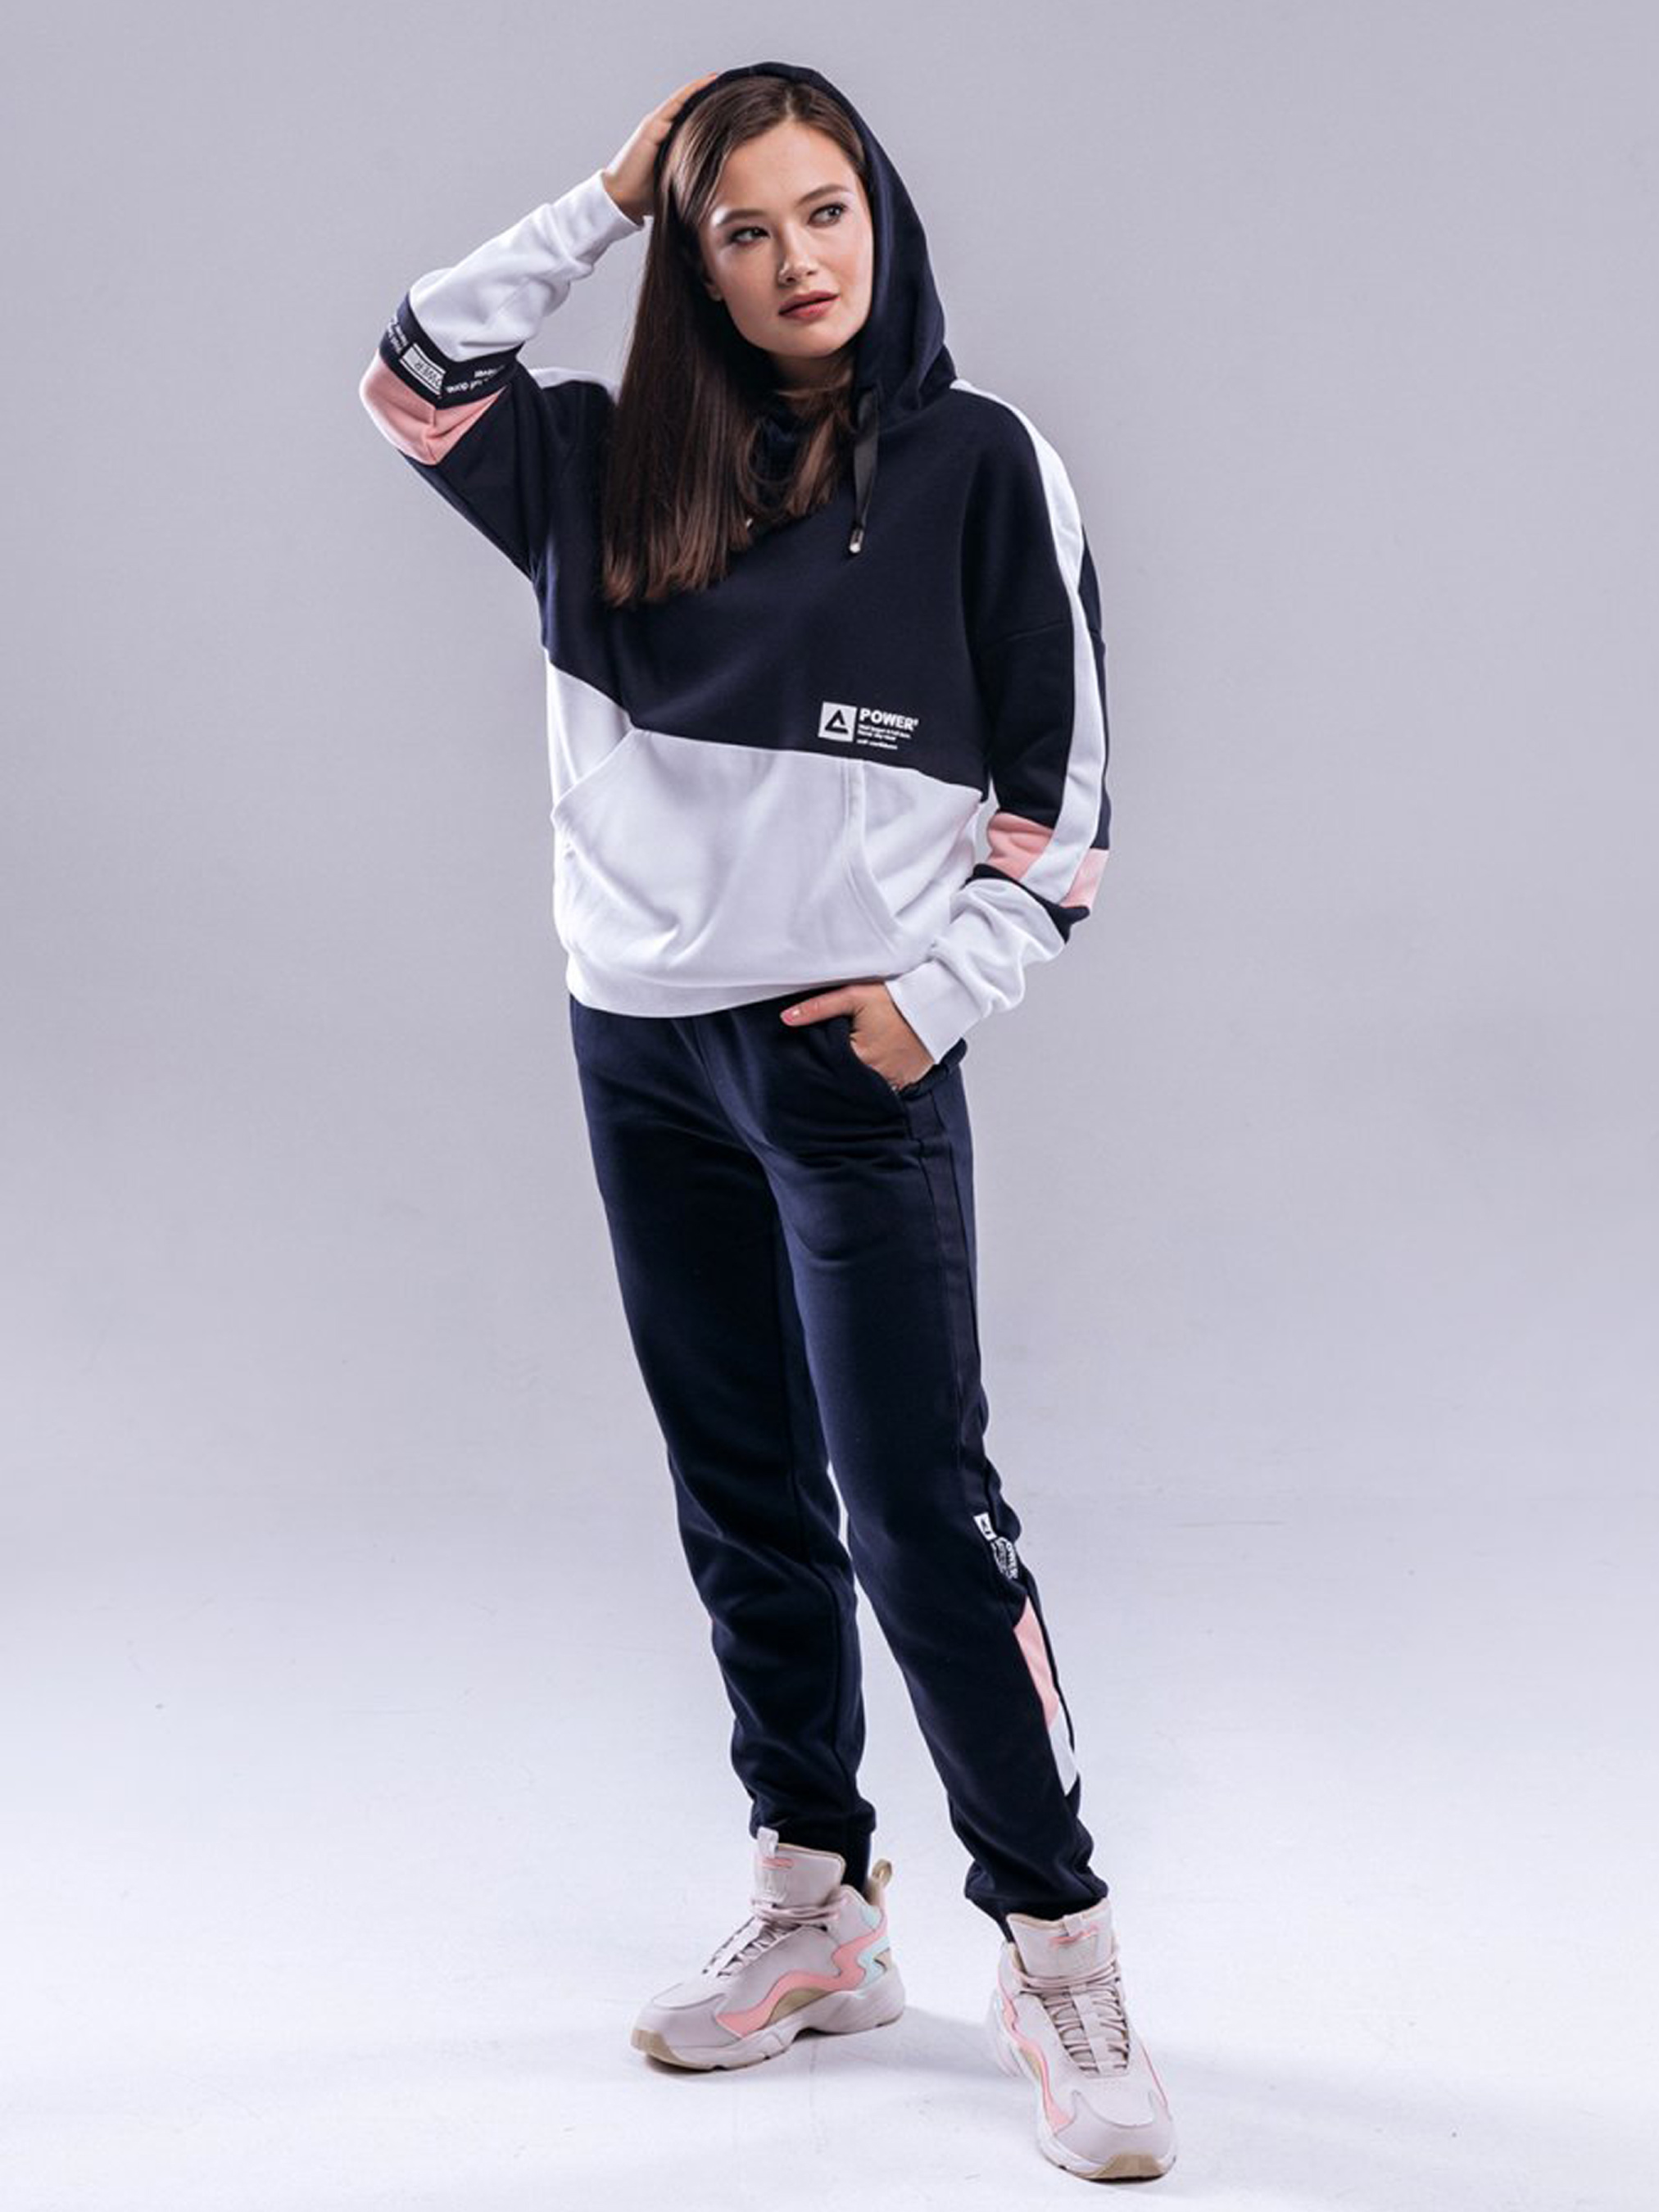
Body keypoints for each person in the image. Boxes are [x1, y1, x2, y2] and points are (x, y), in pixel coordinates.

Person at [359, 57, 1176, 2184]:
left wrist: (930, 1003)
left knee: (918, 1511)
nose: (799, 259)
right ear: (693, 264)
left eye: (828, 212)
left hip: (844, 1068)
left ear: (879, 220)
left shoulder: (982, 466)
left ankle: (1059, 1946)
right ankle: (816, 1898)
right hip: (640, 1050)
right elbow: (414, 373)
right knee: (740, 1487)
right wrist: (604, 190)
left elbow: (1062, 806)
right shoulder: (593, 464)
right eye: (742, 228)